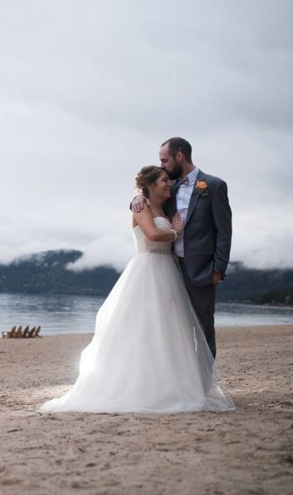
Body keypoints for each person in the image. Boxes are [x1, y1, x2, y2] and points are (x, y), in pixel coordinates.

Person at [39, 166, 233, 414]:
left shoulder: (166, 207)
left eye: (168, 180)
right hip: (147, 268)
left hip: (168, 271)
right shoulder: (139, 207)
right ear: (150, 186)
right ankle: (138, 385)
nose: (169, 184)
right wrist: (177, 232)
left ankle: (171, 384)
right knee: (142, 329)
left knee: (169, 331)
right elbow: (152, 234)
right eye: (163, 181)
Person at [132, 137, 232, 358]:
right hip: (169, 270)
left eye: (164, 160)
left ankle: (204, 385)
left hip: (202, 271)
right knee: (172, 329)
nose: (161, 166)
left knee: (203, 329)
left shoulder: (214, 186)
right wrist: (137, 197)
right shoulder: (170, 187)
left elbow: (224, 232)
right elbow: (150, 198)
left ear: (180, 156)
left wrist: (218, 270)